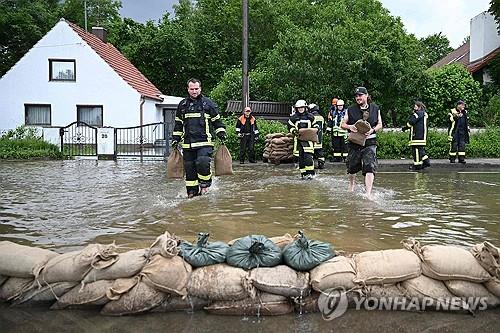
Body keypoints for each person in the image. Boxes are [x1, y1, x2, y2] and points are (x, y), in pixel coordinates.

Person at [172, 78, 226, 198]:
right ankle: (191, 193)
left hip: (204, 143)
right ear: (188, 89)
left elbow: (217, 122)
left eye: (196, 89)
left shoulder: (208, 104)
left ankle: (205, 185)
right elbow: (178, 125)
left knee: (203, 162)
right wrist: (175, 138)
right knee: (190, 171)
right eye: (192, 89)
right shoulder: (182, 105)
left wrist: (221, 133)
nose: (194, 91)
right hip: (188, 145)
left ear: (200, 89)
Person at [341, 87, 383, 199]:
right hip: (355, 142)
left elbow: (380, 124)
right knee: (352, 167)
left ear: (366, 95)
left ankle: (368, 192)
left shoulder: (375, 108)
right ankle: (351, 186)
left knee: (370, 166)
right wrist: (350, 126)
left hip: (370, 142)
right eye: (356, 96)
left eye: (360, 95)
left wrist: (372, 130)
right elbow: (342, 124)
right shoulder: (350, 109)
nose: (358, 97)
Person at [288, 99, 318, 179]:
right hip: (298, 141)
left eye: (302, 107)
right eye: (299, 108)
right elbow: (290, 126)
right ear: (296, 108)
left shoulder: (310, 117)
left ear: (305, 108)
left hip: (308, 141)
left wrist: (315, 129)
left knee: (308, 158)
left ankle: (311, 174)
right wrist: (294, 131)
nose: (300, 109)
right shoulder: (294, 118)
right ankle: (303, 174)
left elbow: (316, 125)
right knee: (301, 159)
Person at [402, 101, 430, 170]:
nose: (414, 108)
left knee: (416, 150)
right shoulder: (425, 114)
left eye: (415, 107)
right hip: (423, 135)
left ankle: (417, 165)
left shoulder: (417, 114)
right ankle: (425, 161)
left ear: (419, 107)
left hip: (416, 135)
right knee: (420, 149)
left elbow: (411, 122)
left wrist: (405, 128)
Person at [309, 103, 325, 169]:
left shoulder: (311, 117)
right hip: (319, 138)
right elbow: (324, 127)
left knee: (310, 152)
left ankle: (311, 165)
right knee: (320, 153)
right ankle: (321, 164)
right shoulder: (321, 117)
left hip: (312, 138)